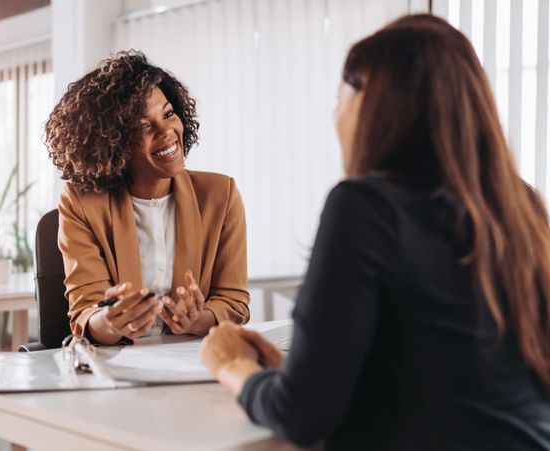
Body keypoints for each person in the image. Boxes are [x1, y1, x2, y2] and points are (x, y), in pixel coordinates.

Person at [200, 14, 550, 450]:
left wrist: (233, 367)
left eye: (338, 96)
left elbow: (301, 417)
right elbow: (452, 380)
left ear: (372, 103)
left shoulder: (365, 206)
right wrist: (295, 373)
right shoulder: (521, 206)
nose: (334, 114)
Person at [45, 50, 249, 345]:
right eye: (143, 126)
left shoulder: (220, 195)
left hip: (192, 364)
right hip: (116, 368)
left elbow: (234, 302)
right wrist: (112, 321)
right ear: (112, 142)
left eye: (168, 114)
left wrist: (197, 319)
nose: (167, 131)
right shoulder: (81, 203)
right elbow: (85, 314)